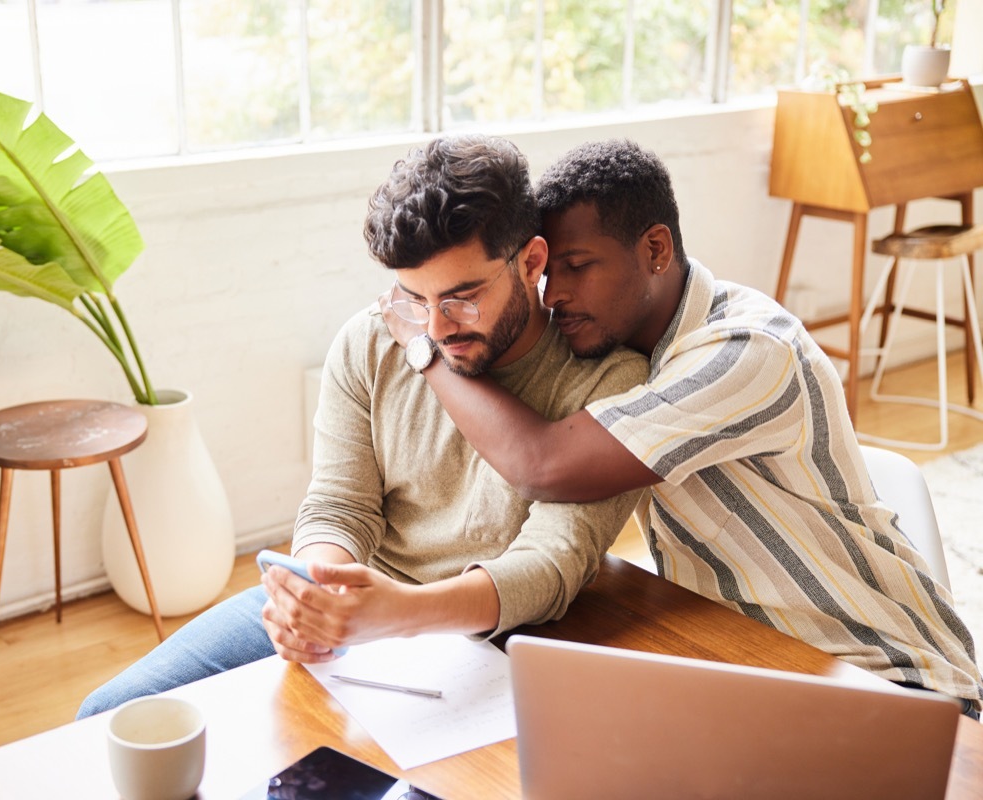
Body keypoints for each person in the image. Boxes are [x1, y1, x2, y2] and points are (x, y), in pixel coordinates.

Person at [378, 137, 983, 716]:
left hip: (896, 682)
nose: (555, 295)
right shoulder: (631, 359)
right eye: (546, 274)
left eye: (578, 266)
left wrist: (422, 345)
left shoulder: (748, 351)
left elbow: (543, 466)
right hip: (754, 670)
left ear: (656, 250)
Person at [76, 135, 648, 718]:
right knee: (106, 713)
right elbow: (338, 504)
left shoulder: (610, 381)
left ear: (531, 262)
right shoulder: (372, 339)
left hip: (490, 632)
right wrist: (318, 590)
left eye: (462, 297)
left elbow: (553, 565)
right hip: (364, 603)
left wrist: (399, 613)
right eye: (413, 296)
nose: (434, 326)